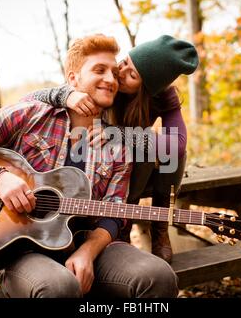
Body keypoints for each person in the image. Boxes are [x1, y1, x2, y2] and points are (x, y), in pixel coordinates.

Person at [0, 34, 179, 298]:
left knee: (160, 278)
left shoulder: (117, 144)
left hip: (91, 244)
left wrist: (87, 252)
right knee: (59, 287)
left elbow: (114, 213)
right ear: (73, 79)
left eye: (114, 73)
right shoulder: (32, 114)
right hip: (22, 249)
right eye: (99, 70)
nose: (110, 80)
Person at [24, 35, 199, 263]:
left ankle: (160, 227)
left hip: (140, 168)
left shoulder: (163, 96)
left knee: (164, 152)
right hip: (110, 165)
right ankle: (123, 226)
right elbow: (28, 99)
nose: (120, 73)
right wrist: (66, 95)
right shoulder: (105, 80)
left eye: (132, 74)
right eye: (125, 62)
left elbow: (177, 145)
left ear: (149, 88)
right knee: (142, 147)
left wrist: (120, 134)